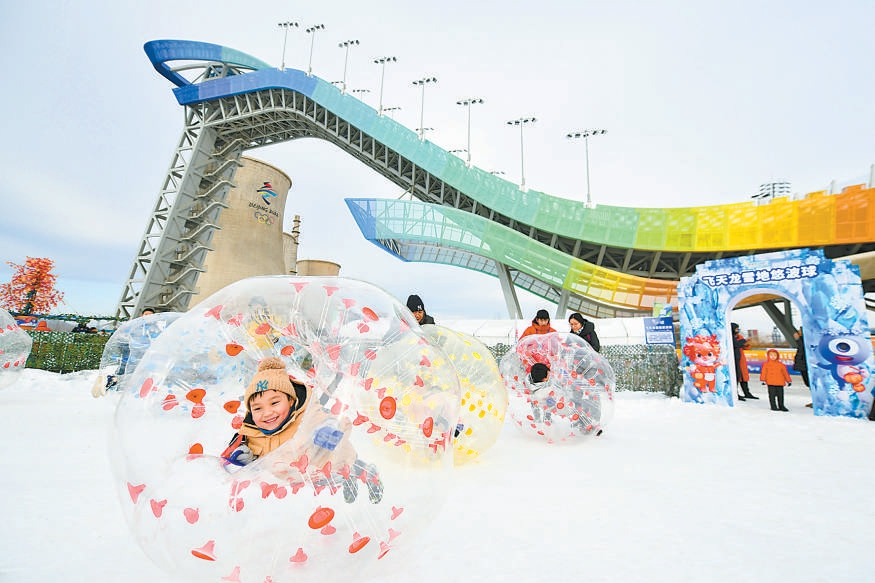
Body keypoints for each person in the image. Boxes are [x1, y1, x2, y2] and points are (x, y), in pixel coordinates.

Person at [222, 357, 383, 503]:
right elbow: (249, 454)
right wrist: (245, 456)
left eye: (274, 403)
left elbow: (339, 421)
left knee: (349, 467)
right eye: (258, 408)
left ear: (291, 401)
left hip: (331, 459)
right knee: (331, 479)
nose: (267, 413)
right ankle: (347, 481)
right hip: (308, 475)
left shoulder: (307, 416)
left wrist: (330, 427)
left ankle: (371, 476)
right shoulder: (255, 435)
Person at [731, 323, 758, 400]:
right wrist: (744, 341)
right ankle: (736, 393)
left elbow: (746, 347)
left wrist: (745, 343)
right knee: (737, 376)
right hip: (735, 359)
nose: (738, 331)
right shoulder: (731, 337)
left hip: (741, 358)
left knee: (743, 376)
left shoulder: (739, 337)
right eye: (737, 329)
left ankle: (746, 392)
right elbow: (737, 344)